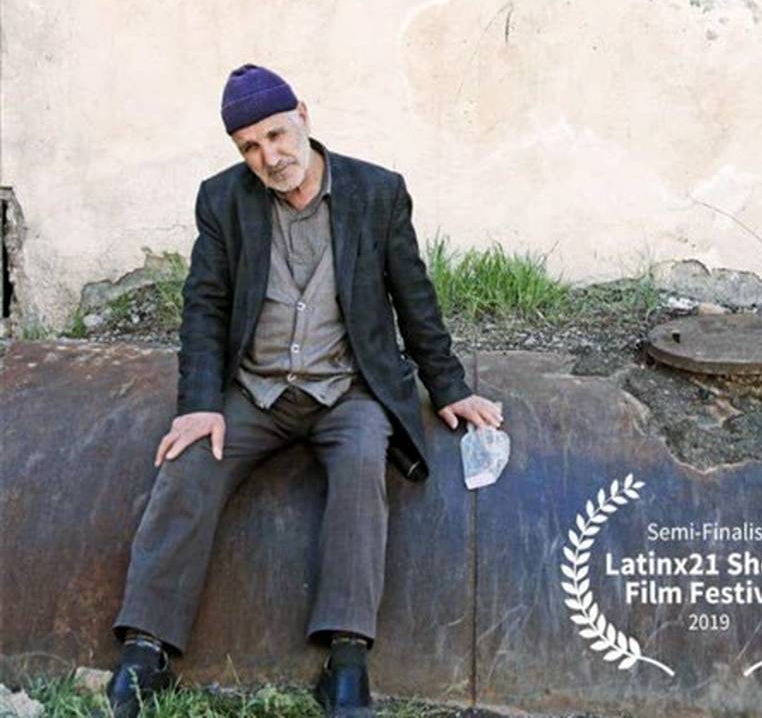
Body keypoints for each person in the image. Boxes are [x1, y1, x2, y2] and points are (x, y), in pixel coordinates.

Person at [104, 64, 502, 718]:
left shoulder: (377, 192)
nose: (269, 156)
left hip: (347, 389)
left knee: (363, 462)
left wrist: (450, 386)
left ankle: (346, 657)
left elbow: (415, 299)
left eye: (275, 135)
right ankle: (146, 649)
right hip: (254, 390)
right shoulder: (222, 201)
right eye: (250, 147)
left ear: (304, 117)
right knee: (188, 460)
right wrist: (199, 404)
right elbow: (205, 306)